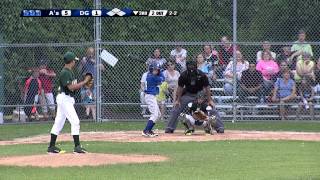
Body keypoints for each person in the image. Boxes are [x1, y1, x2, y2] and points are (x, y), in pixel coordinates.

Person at [47, 51, 92, 154]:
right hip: (64, 99)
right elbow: (70, 87)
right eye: (74, 61)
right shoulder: (65, 72)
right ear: (71, 62)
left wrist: (83, 85)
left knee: (58, 122)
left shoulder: (70, 72)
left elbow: (73, 88)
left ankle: (51, 147)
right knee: (75, 121)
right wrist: (84, 82)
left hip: (66, 98)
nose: (75, 62)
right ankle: (77, 147)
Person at [165, 60, 214, 133]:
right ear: (186, 67)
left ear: (196, 66)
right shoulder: (184, 75)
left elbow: (207, 87)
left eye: (193, 66)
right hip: (188, 94)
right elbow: (180, 88)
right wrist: (177, 100)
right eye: (189, 66)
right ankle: (170, 128)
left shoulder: (201, 74)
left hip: (199, 94)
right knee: (176, 107)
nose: (191, 68)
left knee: (211, 108)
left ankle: (219, 127)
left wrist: (209, 100)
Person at [142, 63, 165, 137]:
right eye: (155, 70)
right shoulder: (153, 77)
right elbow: (163, 79)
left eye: (157, 70)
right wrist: (160, 71)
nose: (157, 71)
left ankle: (149, 130)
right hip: (150, 96)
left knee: (158, 115)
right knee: (155, 115)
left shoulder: (150, 75)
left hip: (152, 96)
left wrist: (158, 69)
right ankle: (146, 131)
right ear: (151, 70)